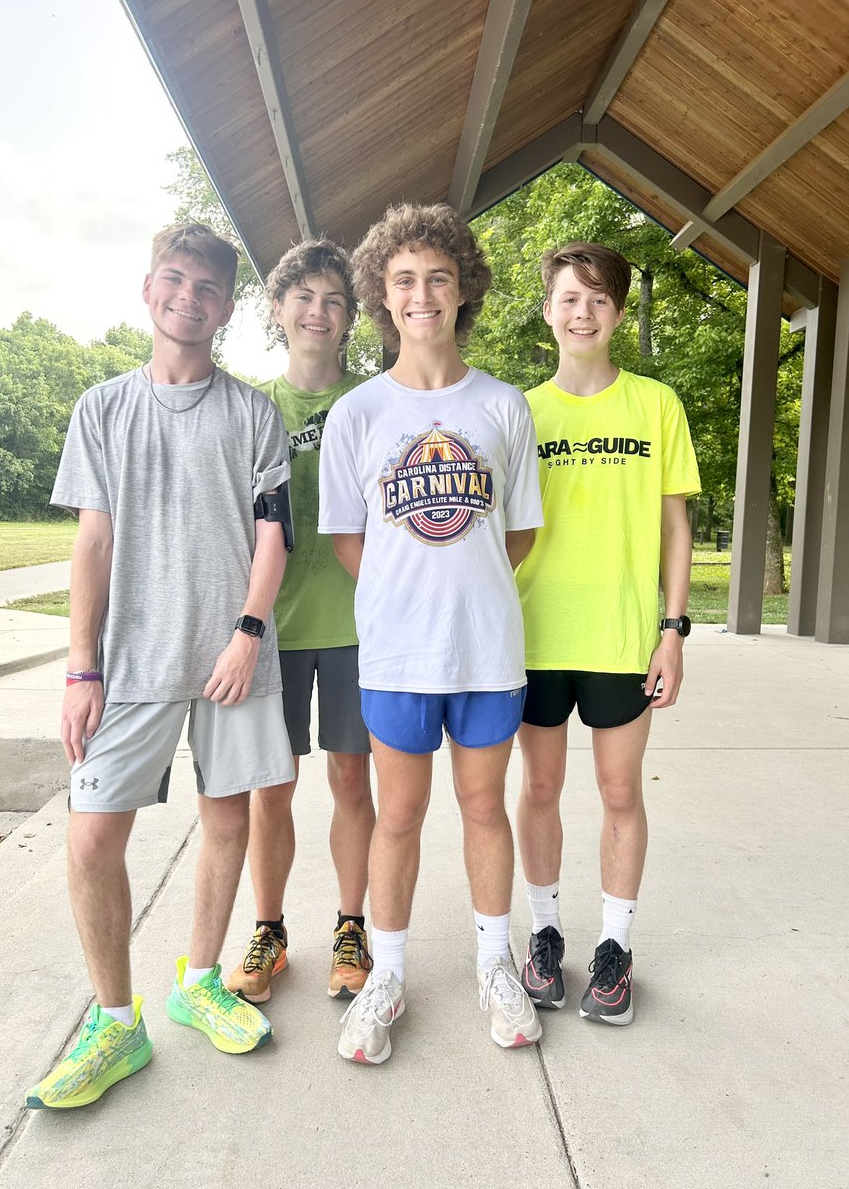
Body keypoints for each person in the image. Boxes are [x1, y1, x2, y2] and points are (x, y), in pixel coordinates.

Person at [27, 223, 295, 1110]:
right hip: (130, 663)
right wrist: (79, 667)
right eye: (174, 280)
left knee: (227, 822)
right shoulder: (101, 409)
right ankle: (114, 1023)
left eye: (207, 286)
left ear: (226, 307)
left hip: (231, 659)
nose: (189, 296)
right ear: (149, 291)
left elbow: (272, 534)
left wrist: (249, 631)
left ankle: (201, 980)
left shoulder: (256, 412)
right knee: (93, 836)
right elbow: (92, 542)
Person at [319, 203, 544, 1064]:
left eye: (438, 277)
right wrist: (408, 595)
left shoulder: (502, 406)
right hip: (397, 652)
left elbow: (516, 534)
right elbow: (351, 540)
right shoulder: (358, 414)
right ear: (384, 293)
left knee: (484, 806)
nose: (422, 294)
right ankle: (389, 975)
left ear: (463, 289)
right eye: (405, 279)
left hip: (487, 649)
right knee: (400, 815)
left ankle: (496, 965)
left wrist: (467, 589)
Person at [514, 241, 700, 1026]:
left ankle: (616, 947)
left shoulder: (655, 405)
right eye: (568, 297)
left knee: (620, 792)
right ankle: (546, 933)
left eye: (597, 298)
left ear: (616, 314)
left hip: (624, 638)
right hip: (532, 636)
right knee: (543, 789)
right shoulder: (518, 410)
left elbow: (676, 526)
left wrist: (673, 631)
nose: (582, 311)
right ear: (548, 311)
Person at [225, 239, 375, 1005]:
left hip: (354, 628)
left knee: (352, 777)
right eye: (304, 297)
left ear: (350, 318)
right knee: (271, 788)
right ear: (279, 309)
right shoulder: (250, 406)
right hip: (273, 632)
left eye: (334, 300)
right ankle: (270, 929)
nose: (318, 312)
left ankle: (352, 926)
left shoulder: (374, 402)